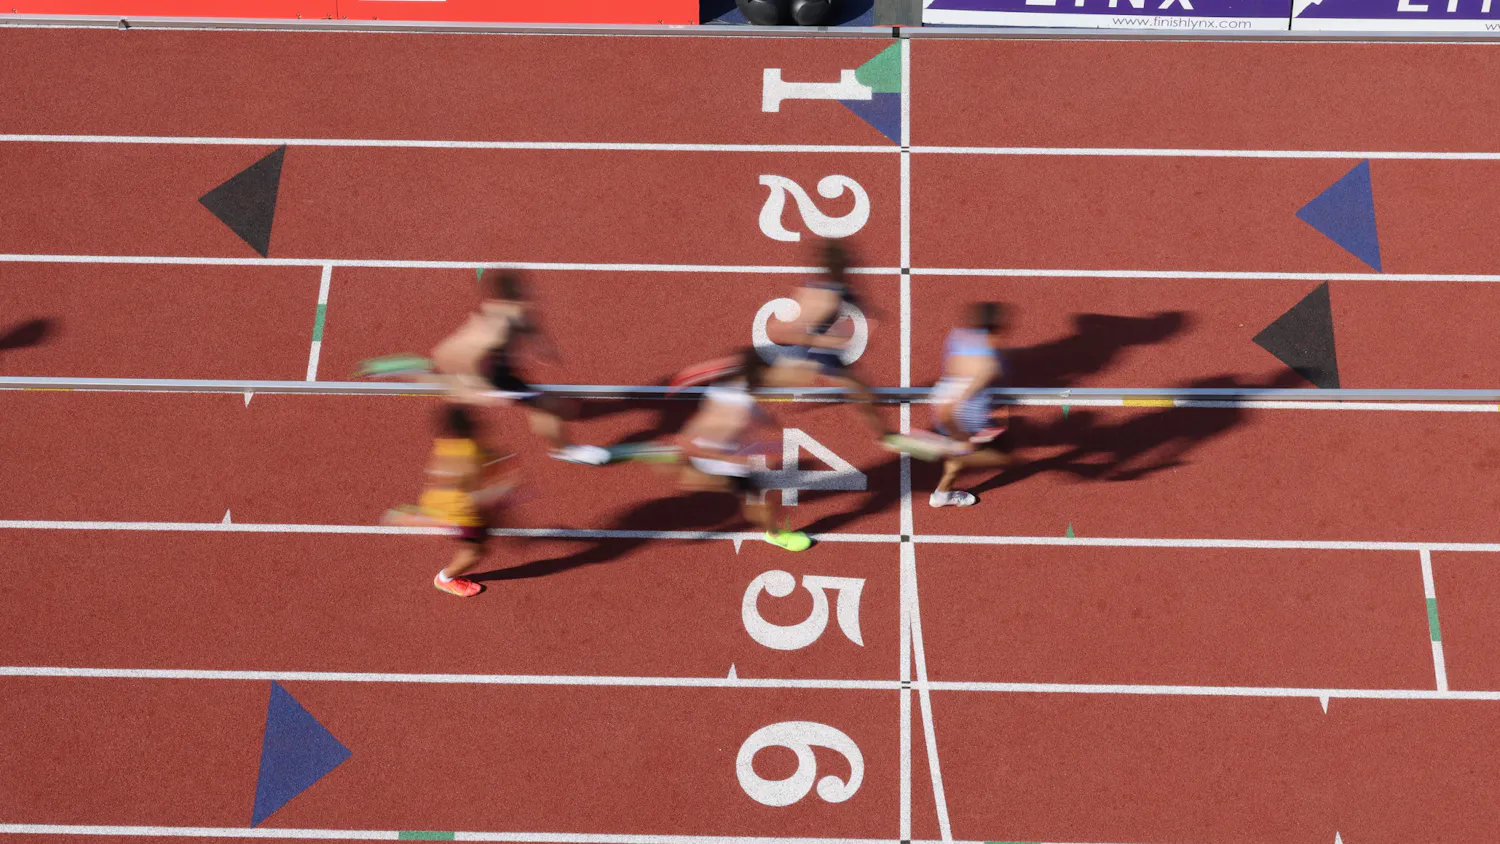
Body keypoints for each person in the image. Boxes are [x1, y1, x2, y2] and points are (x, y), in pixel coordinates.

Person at [358, 269, 610, 466]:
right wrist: (480, 389)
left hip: (497, 370)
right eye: (523, 287)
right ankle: (566, 450)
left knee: (440, 376)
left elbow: (531, 330)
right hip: (489, 376)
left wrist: (545, 349)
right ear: (512, 292)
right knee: (549, 405)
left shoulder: (515, 312)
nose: (529, 289)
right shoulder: (499, 327)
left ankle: (408, 367)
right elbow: (461, 353)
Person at [678, 347, 812, 552]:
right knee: (763, 497)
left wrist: (765, 418)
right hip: (718, 460)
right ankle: (774, 535)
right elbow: (690, 442)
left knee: (758, 494)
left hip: (720, 452)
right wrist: (736, 461)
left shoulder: (730, 387)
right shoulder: (738, 414)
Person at [383, 404, 518, 597]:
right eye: (474, 420)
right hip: (461, 512)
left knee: (484, 528)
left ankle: (422, 518)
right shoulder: (471, 453)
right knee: (475, 552)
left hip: (442, 502)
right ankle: (445, 579)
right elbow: (478, 492)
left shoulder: (447, 445)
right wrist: (505, 490)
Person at [765, 240, 891, 441]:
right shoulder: (824, 299)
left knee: (859, 389)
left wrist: (871, 312)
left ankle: (883, 431)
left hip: (823, 346)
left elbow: (852, 298)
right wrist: (833, 343)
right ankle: (885, 435)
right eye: (847, 262)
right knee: (858, 391)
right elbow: (785, 333)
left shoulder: (836, 284)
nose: (852, 265)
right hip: (816, 353)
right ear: (836, 265)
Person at [929, 302, 1013, 508]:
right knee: (1004, 459)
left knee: (965, 451)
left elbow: (952, 368)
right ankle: (942, 493)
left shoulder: (957, 335)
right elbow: (959, 400)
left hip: (947, 402)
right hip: (962, 418)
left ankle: (944, 485)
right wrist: (958, 434)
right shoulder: (989, 365)